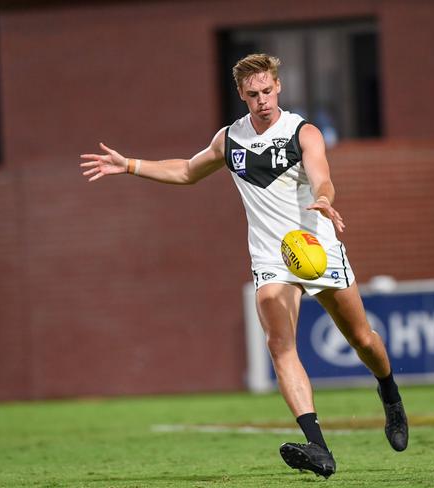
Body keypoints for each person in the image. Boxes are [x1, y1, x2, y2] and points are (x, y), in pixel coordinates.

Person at [80, 53, 408, 479]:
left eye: (267, 91)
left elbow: (321, 173)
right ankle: (318, 447)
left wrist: (325, 197)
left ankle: (390, 395)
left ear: (278, 88)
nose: (262, 101)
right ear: (241, 94)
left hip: (316, 249)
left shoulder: (302, 132)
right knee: (278, 343)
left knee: (363, 340)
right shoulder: (229, 139)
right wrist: (130, 166)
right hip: (273, 258)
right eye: (252, 94)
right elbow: (186, 171)